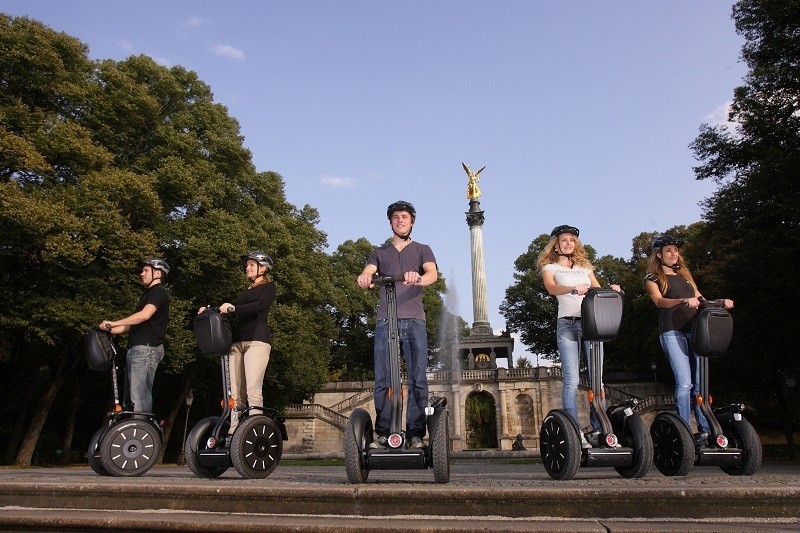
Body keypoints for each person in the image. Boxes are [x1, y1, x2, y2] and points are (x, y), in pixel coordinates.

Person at [357, 201, 438, 449]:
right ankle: (383, 433)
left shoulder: (423, 249)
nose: (400, 220)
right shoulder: (379, 252)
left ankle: (415, 434)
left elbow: (432, 274)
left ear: (412, 222)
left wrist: (418, 278)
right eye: (396, 217)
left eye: (404, 216)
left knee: (417, 379)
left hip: (415, 320)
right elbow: (369, 270)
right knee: (383, 378)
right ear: (391, 222)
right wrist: (365, 276)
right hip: (385, 320)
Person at [644, 235, 733, 448]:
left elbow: (701, 300)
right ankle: (684, 429)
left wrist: (720, 302)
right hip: (672, 332)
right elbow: (659, 301)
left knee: (700, 383)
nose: (674, 254)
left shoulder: (685, 276)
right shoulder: (653, 278)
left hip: (695, 331)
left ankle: (705, 429)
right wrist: (683, 300)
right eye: (669, 250)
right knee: (685, 382)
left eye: (676, 250)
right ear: (659, 255)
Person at [538, 225, 620, 448]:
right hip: (567, 324)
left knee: (597, 379)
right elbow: (551, 288)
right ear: (556, 245)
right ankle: (574, 433)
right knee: (572, 380)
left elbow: (598, 290)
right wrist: (573, 288)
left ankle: (599, 428)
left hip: (592, 323)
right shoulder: (550, 267)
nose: (568, 243)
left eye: (572, 240)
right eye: (564, 240)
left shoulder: (585, 268)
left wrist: (612, 289)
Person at [199, 251, 276, 434]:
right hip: (237, 344)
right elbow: (231, 310)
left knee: (253, 390)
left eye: (251, 265)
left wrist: (234, 308)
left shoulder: (269, 287)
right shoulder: (244, 292)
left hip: (257, 342)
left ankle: (254, 430)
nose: (247, 268)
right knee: (235, 393)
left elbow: (259, 306)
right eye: (247, 265)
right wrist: (209, 311)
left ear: (263, 268)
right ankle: (234, 431)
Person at [99, 257, 170, 414]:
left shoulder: (158, 292)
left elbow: (144, 315)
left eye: (146, 270)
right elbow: (131, 325)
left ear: (158, 273)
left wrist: (114, 322)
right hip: (137, 349)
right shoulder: (148, 294)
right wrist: (109, 329)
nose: (141, 273)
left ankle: (140, 427)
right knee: (130, 399)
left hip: (146, 349)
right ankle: (134, 425)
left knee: (139, 397)